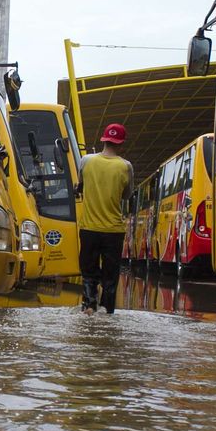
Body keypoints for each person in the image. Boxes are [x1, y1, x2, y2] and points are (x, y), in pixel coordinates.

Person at [77, 123, 133, 314]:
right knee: (110, 278)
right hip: (113, 231)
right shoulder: (126, 167)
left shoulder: (86, 161)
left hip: (89, 229)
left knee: (88, 273)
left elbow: (80, 185)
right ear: (121, 143)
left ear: (104, 139)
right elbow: (126, 195)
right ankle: (106, 311)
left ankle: (89, 306)